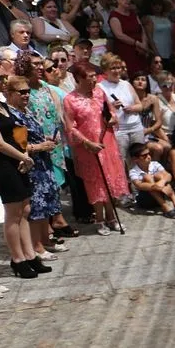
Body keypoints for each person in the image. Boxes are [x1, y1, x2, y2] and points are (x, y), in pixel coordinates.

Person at [63, 62, 128, 236]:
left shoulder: (100, 92)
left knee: (111, 179)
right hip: (88, 147)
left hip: (107, 141)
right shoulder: (70, 99)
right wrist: (86, 143)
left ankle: (111, 217)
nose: (94, 80)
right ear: (78, 79)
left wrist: (113, 118)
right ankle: (99, 218)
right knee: (96, 182)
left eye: (94, 76)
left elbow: (110, 110)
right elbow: (71, 127)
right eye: (89, 77)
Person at [0, 77, 45, 278]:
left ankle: (29, 254)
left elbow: (16, 132)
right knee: (13, 212)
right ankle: (17, 259)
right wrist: (23, 157)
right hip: (3, 164)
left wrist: (24, 155)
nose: (2, 81)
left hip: (18, 160)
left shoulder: (1, 105)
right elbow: (0, 144)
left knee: (25, 208)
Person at [127, 142, 175, 218]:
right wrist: (160, 187)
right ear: (135, 159)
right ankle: (165, 207)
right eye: (144, 156)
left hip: (161, 193)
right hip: (145, 200)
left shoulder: (155, 164)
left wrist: (162, 182)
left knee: (160, 175)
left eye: (149, 154)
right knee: (147, 177)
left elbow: (168, 176)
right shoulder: (133, 171)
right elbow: (139, 185)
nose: (148, 157)